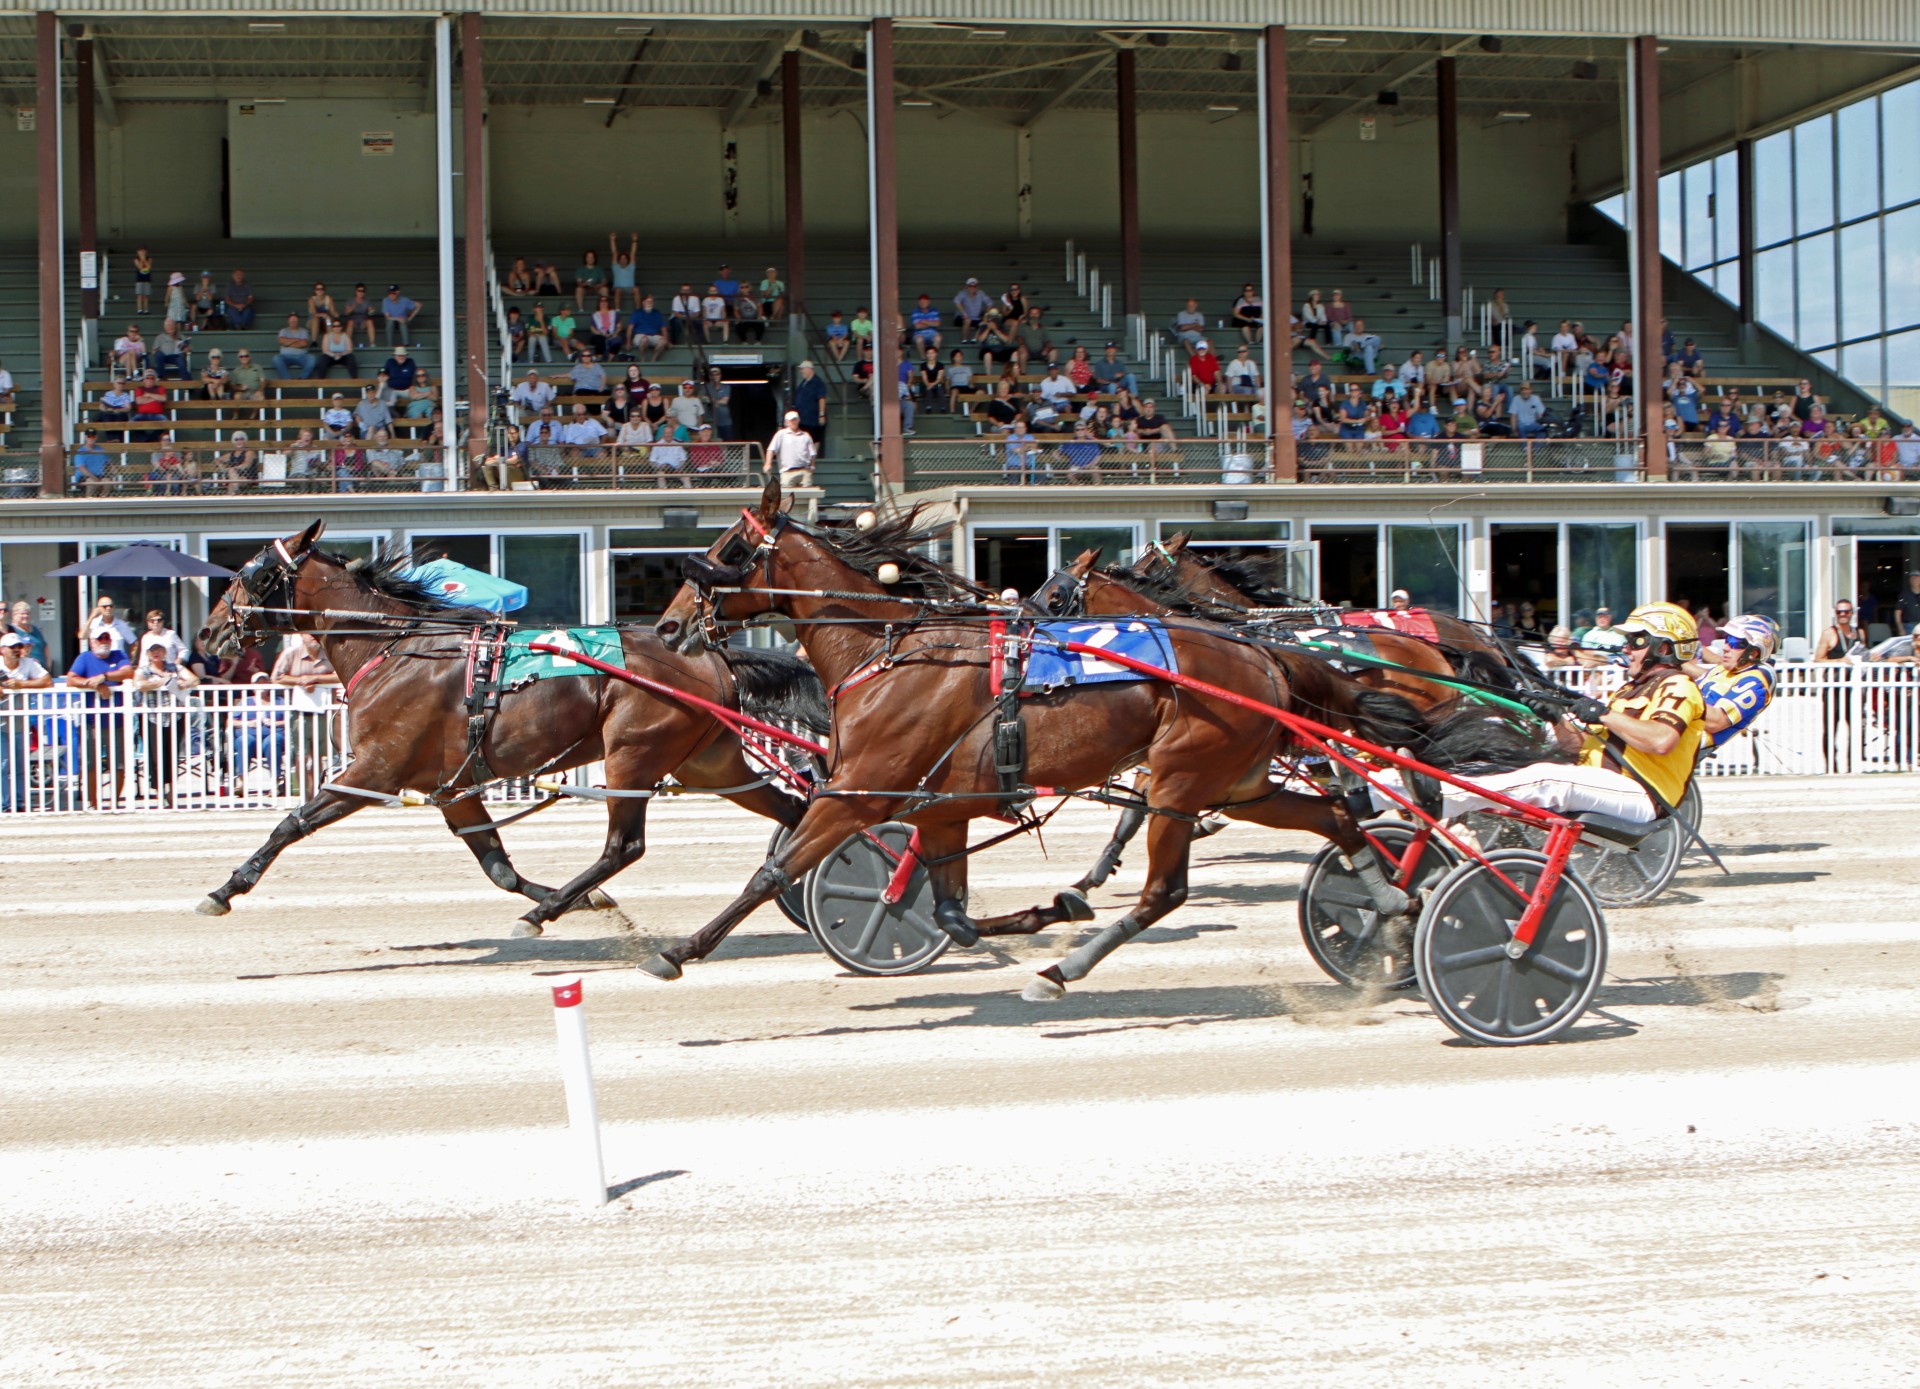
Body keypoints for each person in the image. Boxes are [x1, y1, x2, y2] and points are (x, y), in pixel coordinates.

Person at [1384, 603, 1706, 826]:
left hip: (1642, 794)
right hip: (1606, 780)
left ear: (1664, 648)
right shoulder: (1631, 690)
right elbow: (1576, 748)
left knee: (1548, 779)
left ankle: (1438, 798)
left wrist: (1602, 714)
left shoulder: (1679, 685)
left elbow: (1662, 740)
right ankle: (1374, 790)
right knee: (1509, 756)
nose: (1626, 648)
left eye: (1636, 641)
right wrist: (1555, 716)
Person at [1689, 615, 1778, 750]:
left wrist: (1679, 699)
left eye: (1735, 642)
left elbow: (1716, 722)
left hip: (1684, 743)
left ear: (1753, 653)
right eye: (1726, 639)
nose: (1725, 647)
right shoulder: (1722, 670)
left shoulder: (1755, 682)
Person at [68, 629, 133, 808]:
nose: (104, 641)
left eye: (107, 637)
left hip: (118, 721)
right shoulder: (84, 657)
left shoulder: (118, 654)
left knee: (119, 764)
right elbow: (71, 679)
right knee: (91, 764)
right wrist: (92, 684)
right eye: (100, 638)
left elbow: (128, 672)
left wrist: (104, 677)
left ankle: (114, 802)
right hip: (92, 722)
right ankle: (94, 803)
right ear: (91, 642)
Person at [129, 639, 199, 799]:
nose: (156, 652)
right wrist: (163, 681)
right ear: (147, 654)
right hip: (152, 717)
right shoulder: (144, 670)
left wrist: (184, 683)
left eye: (159, 649)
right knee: (155, 756)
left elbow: (195, 679)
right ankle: (160, 792)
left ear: (165, 653)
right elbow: (139, 684)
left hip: (175, 716)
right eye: (152, 650)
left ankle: (172, 792)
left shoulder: (175, 667)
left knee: (173, 754)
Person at [0, 632, 52, 812]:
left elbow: (47, 681)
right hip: (1, 724)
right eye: (12, 647)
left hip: (21, 723)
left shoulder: (28, 663)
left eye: (19, 647)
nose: (16, 650)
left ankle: (20, 802)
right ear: (2, 650)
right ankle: (5, 804)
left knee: (21, 766)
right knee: (3, 766)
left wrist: (22, 684)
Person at [765, 411, 815, 488]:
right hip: (787, 472)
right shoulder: (781, 434)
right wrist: (768, 463)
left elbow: (812, 453)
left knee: (806, 495)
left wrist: (812, 466)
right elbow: (771, 450)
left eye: (795, 419)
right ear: (786, 422)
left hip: (805, 471)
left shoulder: (806, 435)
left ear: (798, 420)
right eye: (790, 420)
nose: (793, 422)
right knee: (787, 496)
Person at [791, 360, 827, 447]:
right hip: (803, 419)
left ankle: (812, 459)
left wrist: (821, 415)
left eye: (802, 369)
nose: (801, 371)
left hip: (813, 419)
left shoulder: (818, 383)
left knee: (814, 439)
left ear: (809, 369)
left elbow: (822, 398)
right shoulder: (803, 383)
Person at [9, 601, 47, 668]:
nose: (25, 616)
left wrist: (48, 665)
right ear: (14, 615)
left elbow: (45, 646)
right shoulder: (11, 630)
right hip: (23, 669)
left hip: (41, 668)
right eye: (22, 614)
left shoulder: (36, 630)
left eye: (27, 614)